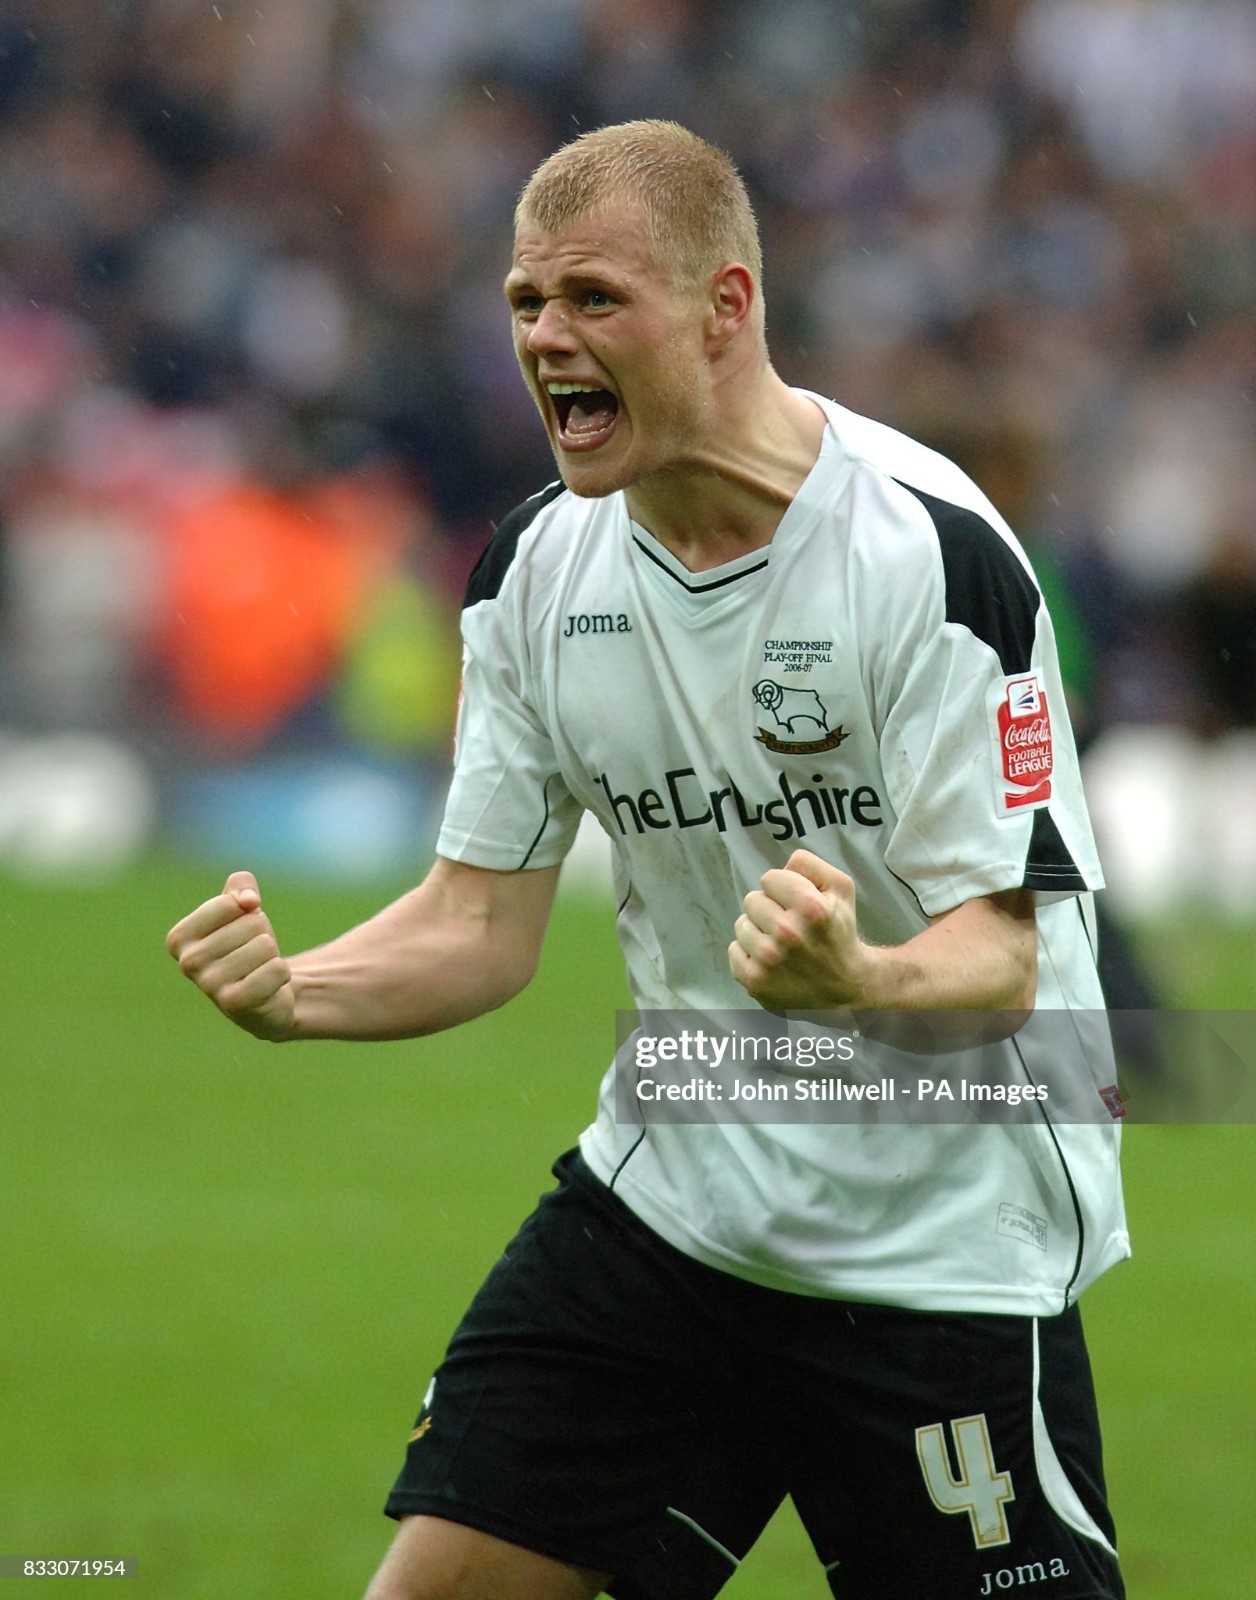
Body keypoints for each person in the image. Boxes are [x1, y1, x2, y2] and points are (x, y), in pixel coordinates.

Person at [167, 121, 1128, 1600]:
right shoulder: (535, 571)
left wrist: (857, 976)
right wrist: (297, 991)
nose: (548, 339)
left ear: (725, 308)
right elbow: (478, 922)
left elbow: (1004, 962)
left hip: (940, 1249)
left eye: (595, 300)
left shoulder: (928, 555)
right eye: (524, 305)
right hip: (672, 1207)